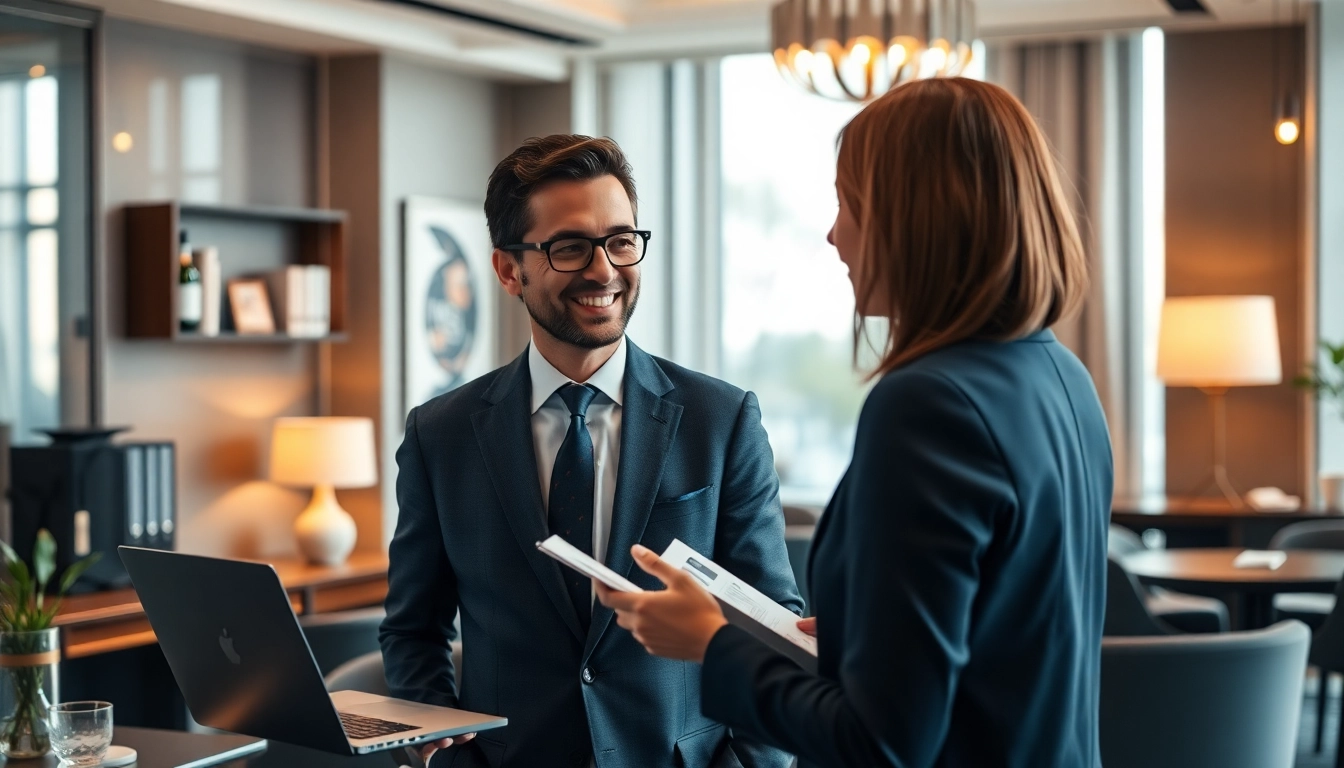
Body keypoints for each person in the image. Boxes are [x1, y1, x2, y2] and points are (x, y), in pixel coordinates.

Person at [598, 78, 1112, 768]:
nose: (835, 234)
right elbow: (1002, 647)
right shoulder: (1061, 377)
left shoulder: (929, 405)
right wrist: (847, 646)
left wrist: (712, 643)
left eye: (848, 204)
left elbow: (882, 742)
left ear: (915, 218)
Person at [380, 134, 802, 768]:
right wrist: (436, 755)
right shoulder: (441, 433)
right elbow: (414, 630)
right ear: (507, 269)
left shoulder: (721, 420)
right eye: (570, 247)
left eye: (621, 241)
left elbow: (773, 628)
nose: (603, 269)